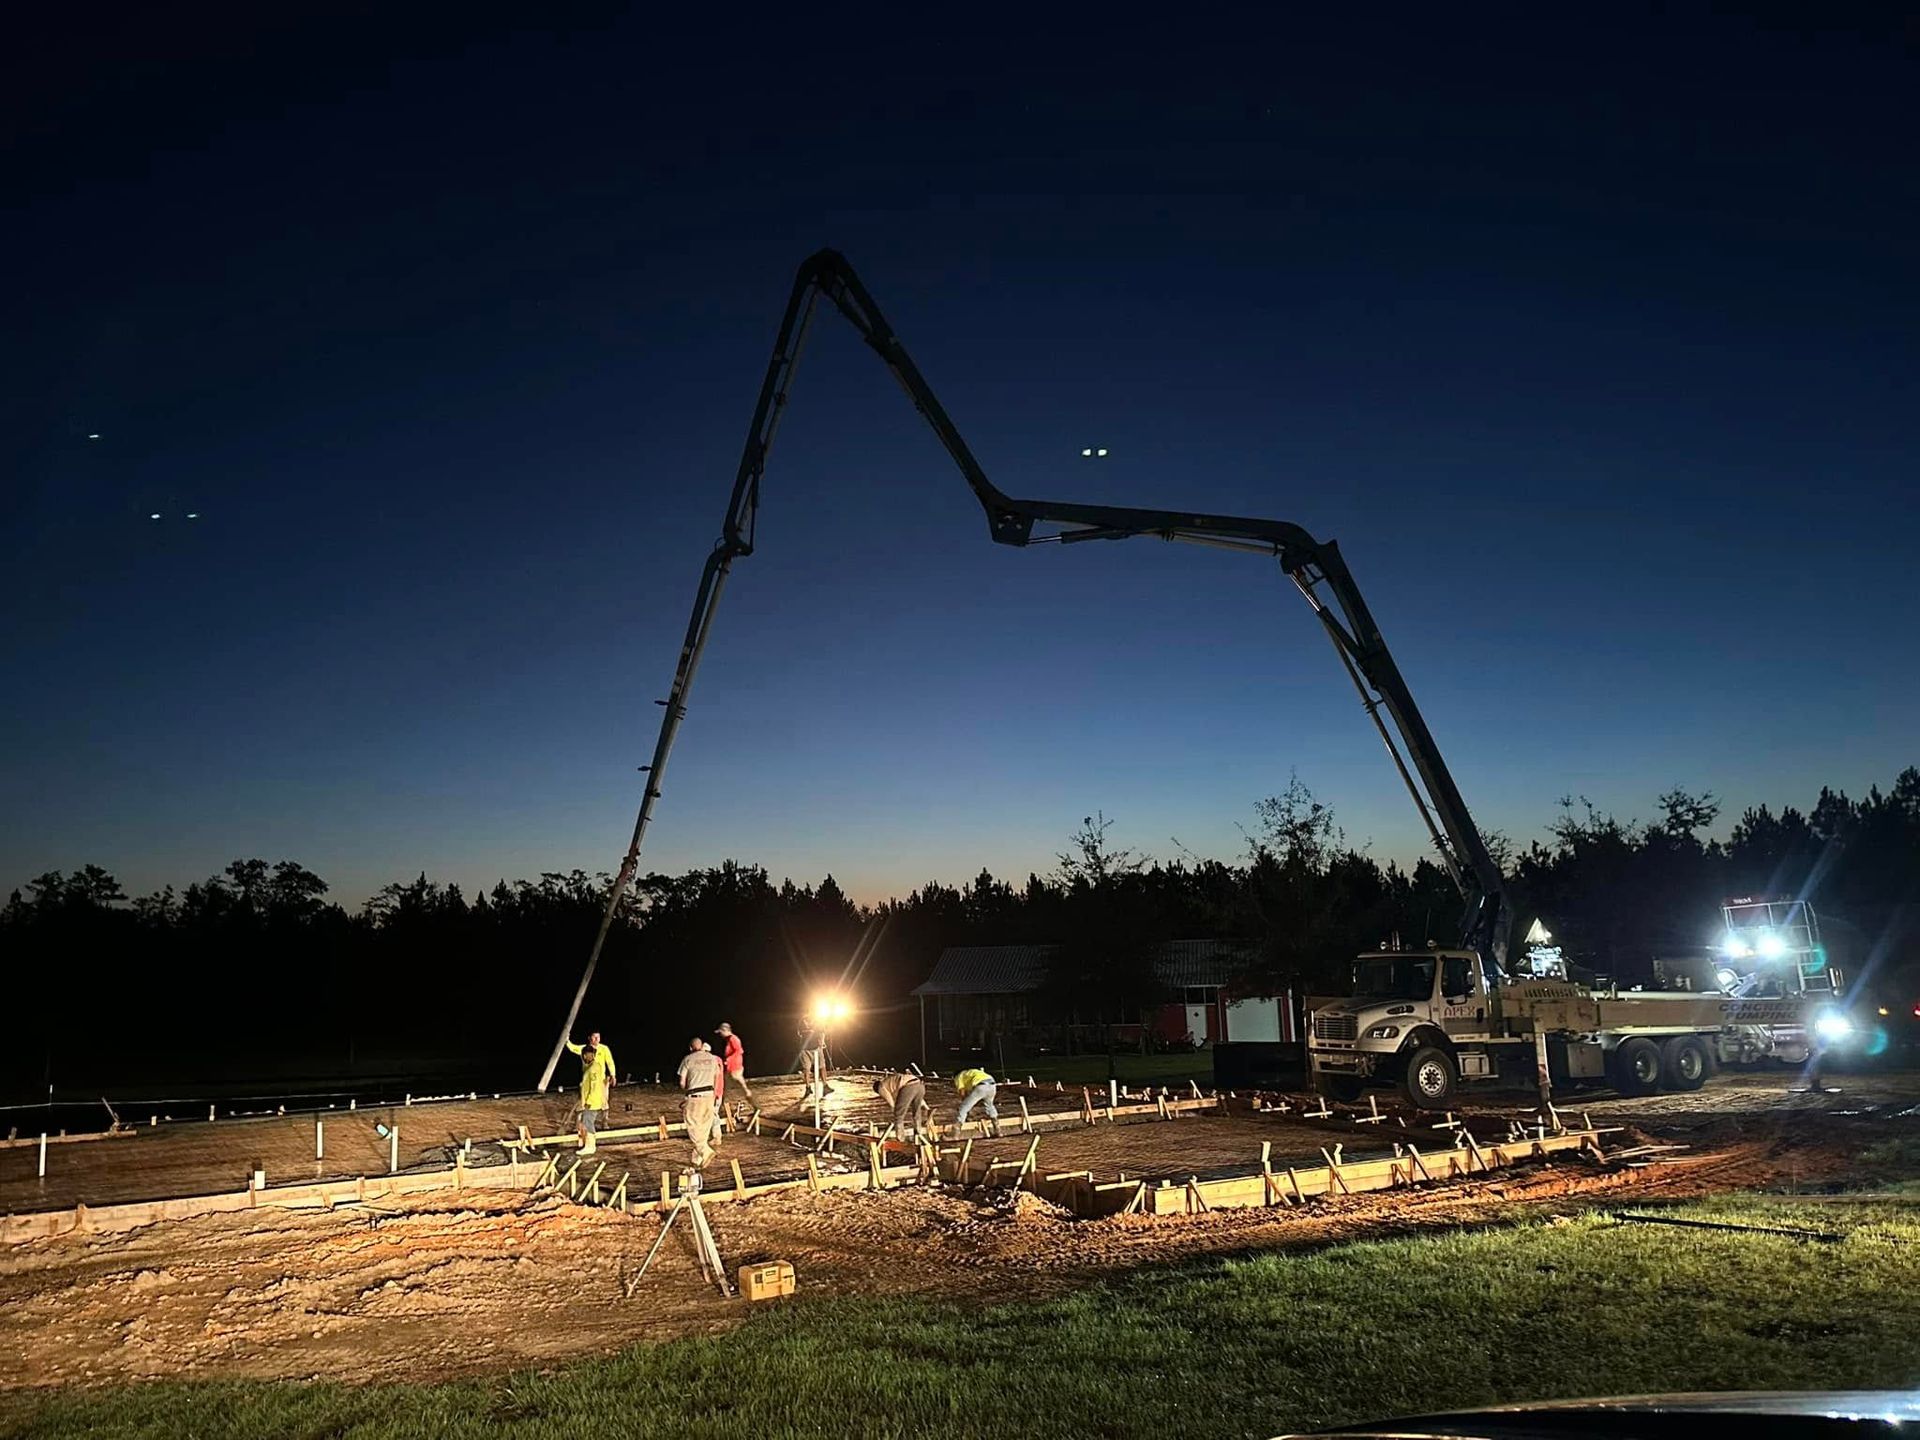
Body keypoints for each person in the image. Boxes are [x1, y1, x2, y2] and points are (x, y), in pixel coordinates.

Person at [676, 1036, 724, 1167]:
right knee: (704, 1128)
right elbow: (717, 1077)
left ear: (690, 1048)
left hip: (695, 1096)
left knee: (692, 1125)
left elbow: (682, 1082)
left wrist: (688, 1089)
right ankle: (697, 1159)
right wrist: (713, 1095)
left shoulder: (688, 1059)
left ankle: (705, 1151)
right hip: (710, 1096)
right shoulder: (713, 1059)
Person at [573, 1041, 613, 1155]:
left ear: (588, 1055)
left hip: (593, 1102)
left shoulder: (594, 1067)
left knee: (588, 1122)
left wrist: (589, 1101)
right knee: (586, 1121)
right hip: (589, 1100)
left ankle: (590, 1147)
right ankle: (589, 1145)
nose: (585, 1057)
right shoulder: (589, 1067)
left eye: (586, 1055)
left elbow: (595, 1087)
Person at [872, 1072, 930, 1142]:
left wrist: (894, 1110)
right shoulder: (890, 1082)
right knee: (917, 1111)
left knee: (898, 1115)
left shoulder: (881, 1087)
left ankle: (900, 1138)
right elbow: (914, 1093)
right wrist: (926, 1106)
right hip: (920, 1084)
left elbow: (889, 1099)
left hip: (908, 1086)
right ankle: (918, 1131)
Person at [953, 1065, 999, 1134]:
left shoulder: (958, 1076)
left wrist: (967, 1108)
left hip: (981, 1086)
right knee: (990, 1106)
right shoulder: (970, 1073)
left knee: (963, 1108)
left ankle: (955, 1133)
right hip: (992, 1084)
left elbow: (962, 1093)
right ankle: (998, 1130)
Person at [716, 1022, 754, 1106]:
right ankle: (722, 1106)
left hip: (735, 1068)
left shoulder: (733, 1039)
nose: (720, 1034)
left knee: (740, 1087)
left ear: (725, 1030)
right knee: (724, 1088)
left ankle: (755, 1104)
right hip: (731, 1068)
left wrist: (728, 1059)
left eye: (721, 1032)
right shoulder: (729, 1040)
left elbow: (739, 1050)